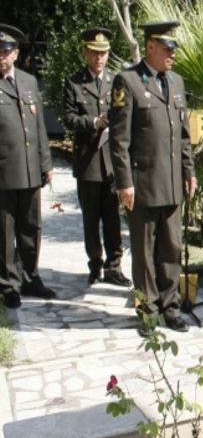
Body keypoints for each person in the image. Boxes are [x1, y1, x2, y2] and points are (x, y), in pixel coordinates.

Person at [109, 21, 196, 334]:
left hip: (172, 183)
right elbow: (119, 140)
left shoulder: (175, 81)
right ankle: (147, 311)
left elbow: (184, 136)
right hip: (142, 184)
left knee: (171, 249)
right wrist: (124, 182)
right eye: (166, 47)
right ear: (149, 46)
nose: (172, 53)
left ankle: (170, 308)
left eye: (174, 48)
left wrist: (189, 171)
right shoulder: (128, 81)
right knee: (144, 253)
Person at [63, 28, 130, 287]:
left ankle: (115, 267)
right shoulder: (74, 82)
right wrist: (92, 121)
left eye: (103, 53)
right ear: (85, 53)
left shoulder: (116, 81)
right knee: (91, 219)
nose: (99, 58)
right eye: (94, 53)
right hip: (88, 160)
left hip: (112, 162)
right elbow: (68, 118)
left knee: (113, 218)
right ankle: (95, 265)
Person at [0, 24, 55, 309]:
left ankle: (30, 276)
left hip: (32, 171)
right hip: (4, 174)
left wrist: (46, 164)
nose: (2, 56)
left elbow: (39, 127)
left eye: (7, 50)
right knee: (4, 231)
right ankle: (9, 284)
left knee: (31, 227)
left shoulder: (28, 82)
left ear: (16, 53)